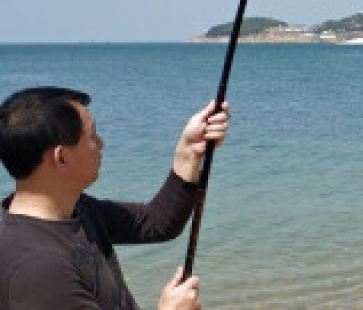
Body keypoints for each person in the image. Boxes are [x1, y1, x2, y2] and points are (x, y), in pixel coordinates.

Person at [0, 86, 230, 310]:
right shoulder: (38, 272)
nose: (101, 144)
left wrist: (189, 151)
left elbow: (157, 223)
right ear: (62, 158)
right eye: (92, 136)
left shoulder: (78, 209)